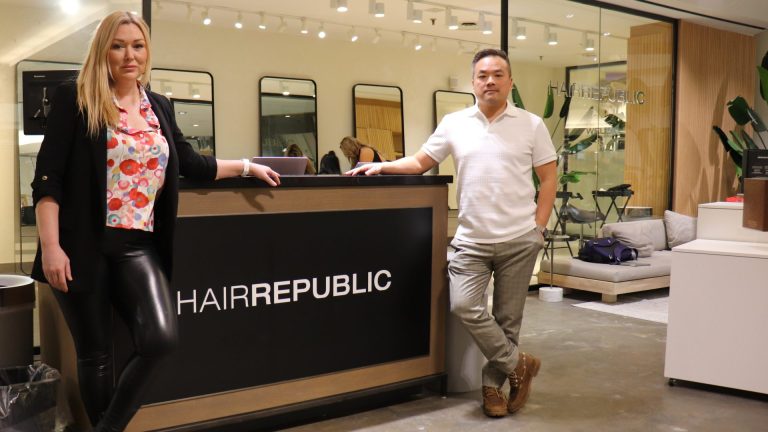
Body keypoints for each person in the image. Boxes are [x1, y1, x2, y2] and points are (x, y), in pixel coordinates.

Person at [30, 11, 280, 432]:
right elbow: (47, 180)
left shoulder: (158, 106)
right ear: (103, 51)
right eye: (119, 45)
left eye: (138, 45)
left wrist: (246, 166)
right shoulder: (75, 98)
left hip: (137, 244)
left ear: (147, 52)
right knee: (95, 354)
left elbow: (191, 163)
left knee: (161, 339)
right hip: (80, 245)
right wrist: (52, 246)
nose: (130, 55)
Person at [347, 48, 557, 418]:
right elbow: (420, 161)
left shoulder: (531, 124)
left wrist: (538, 229)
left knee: (508, 321)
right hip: (471, 240)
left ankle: (493, 389)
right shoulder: (455, 122)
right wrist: (380, 168)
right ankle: (519, 364)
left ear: (510, 81)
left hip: (519, 240)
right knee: (464, 305)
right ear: (473, 82)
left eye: (497, 74)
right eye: (482, 75)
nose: (489, 81)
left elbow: (549, 178)